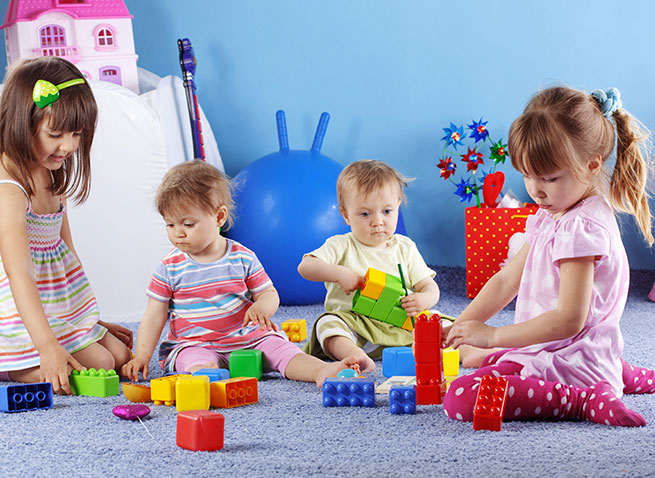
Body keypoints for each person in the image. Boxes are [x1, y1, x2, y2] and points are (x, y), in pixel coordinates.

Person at [443, 86, 655, 427]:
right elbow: (506, 280)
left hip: (571, 361)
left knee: (461, 397)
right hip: (549, 350)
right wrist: (459, 326)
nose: (535, 189)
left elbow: (570, 320)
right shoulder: (551, 212)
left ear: (591, 164)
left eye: (549, 178)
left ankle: (585, 398)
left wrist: (493, 336)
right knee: (487, 363)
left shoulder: (581, 228)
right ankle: (612, 368)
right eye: (526, 175)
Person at [121, 160, 357, 386]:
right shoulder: (168, 267)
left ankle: (319, 370)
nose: (178, 233)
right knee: (195, 361)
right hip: (194, 343)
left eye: (188, 224)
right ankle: (207, 380)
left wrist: (261, 307)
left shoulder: (242, 257)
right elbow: (154, 315)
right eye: (170, 225)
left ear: (219, 216)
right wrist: (141, 355)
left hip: (248, 338)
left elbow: (269, 294)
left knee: (280, 348)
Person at [0, 57, 133, 394]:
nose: (69, 146)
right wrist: (47, 346)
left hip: (54, 304)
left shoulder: (51, 170)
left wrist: (86, 320)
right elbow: (20, 275)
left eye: (77, 134)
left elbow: (67, 254)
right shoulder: (11, 191)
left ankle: (58, 345)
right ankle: (15, 369)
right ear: (22, 123)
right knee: (100, 364)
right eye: (55, 134)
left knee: (119, 354)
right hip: (15, 310)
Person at [298, 159, 440, 373]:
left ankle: (468, 352)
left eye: (387, 211)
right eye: (365, 214)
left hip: (401, 326)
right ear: (346, 215)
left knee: (441, 324)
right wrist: (339, 273)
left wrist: (424, 299)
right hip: (356, 326)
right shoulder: (341, 244)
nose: (378, 221)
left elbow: (429, 286)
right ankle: (355, 356)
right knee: (326, 324)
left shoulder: (405, 247)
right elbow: (305, 267)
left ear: (397, 207)